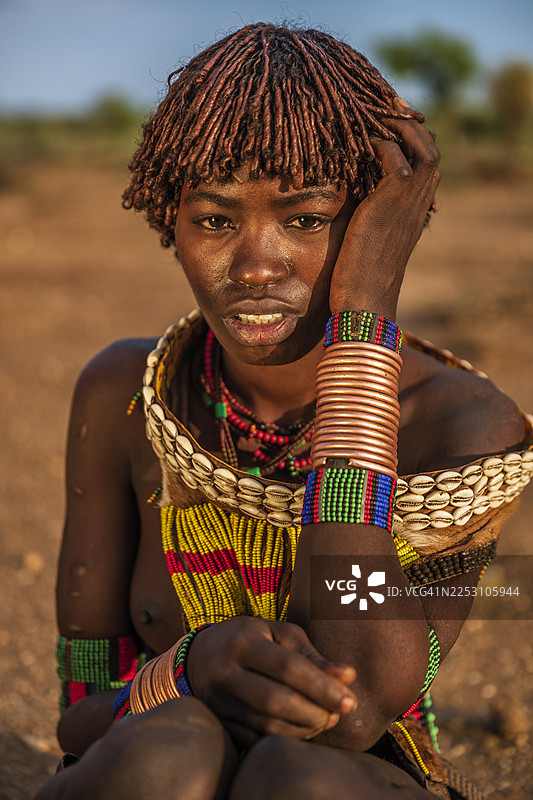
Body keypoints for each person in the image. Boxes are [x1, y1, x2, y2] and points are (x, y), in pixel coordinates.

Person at [36, 22, 532, 800]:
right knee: (169, 758)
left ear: (378, 227)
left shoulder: (457, 430)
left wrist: (364, 320)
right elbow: (77, 717)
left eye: (306, 219)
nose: (257, 262)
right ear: (171, 222)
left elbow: (357, 707)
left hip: (345, 781)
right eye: (215, 219)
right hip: (152, 763)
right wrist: (193, 668)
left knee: (294, 775)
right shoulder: (131, 397)